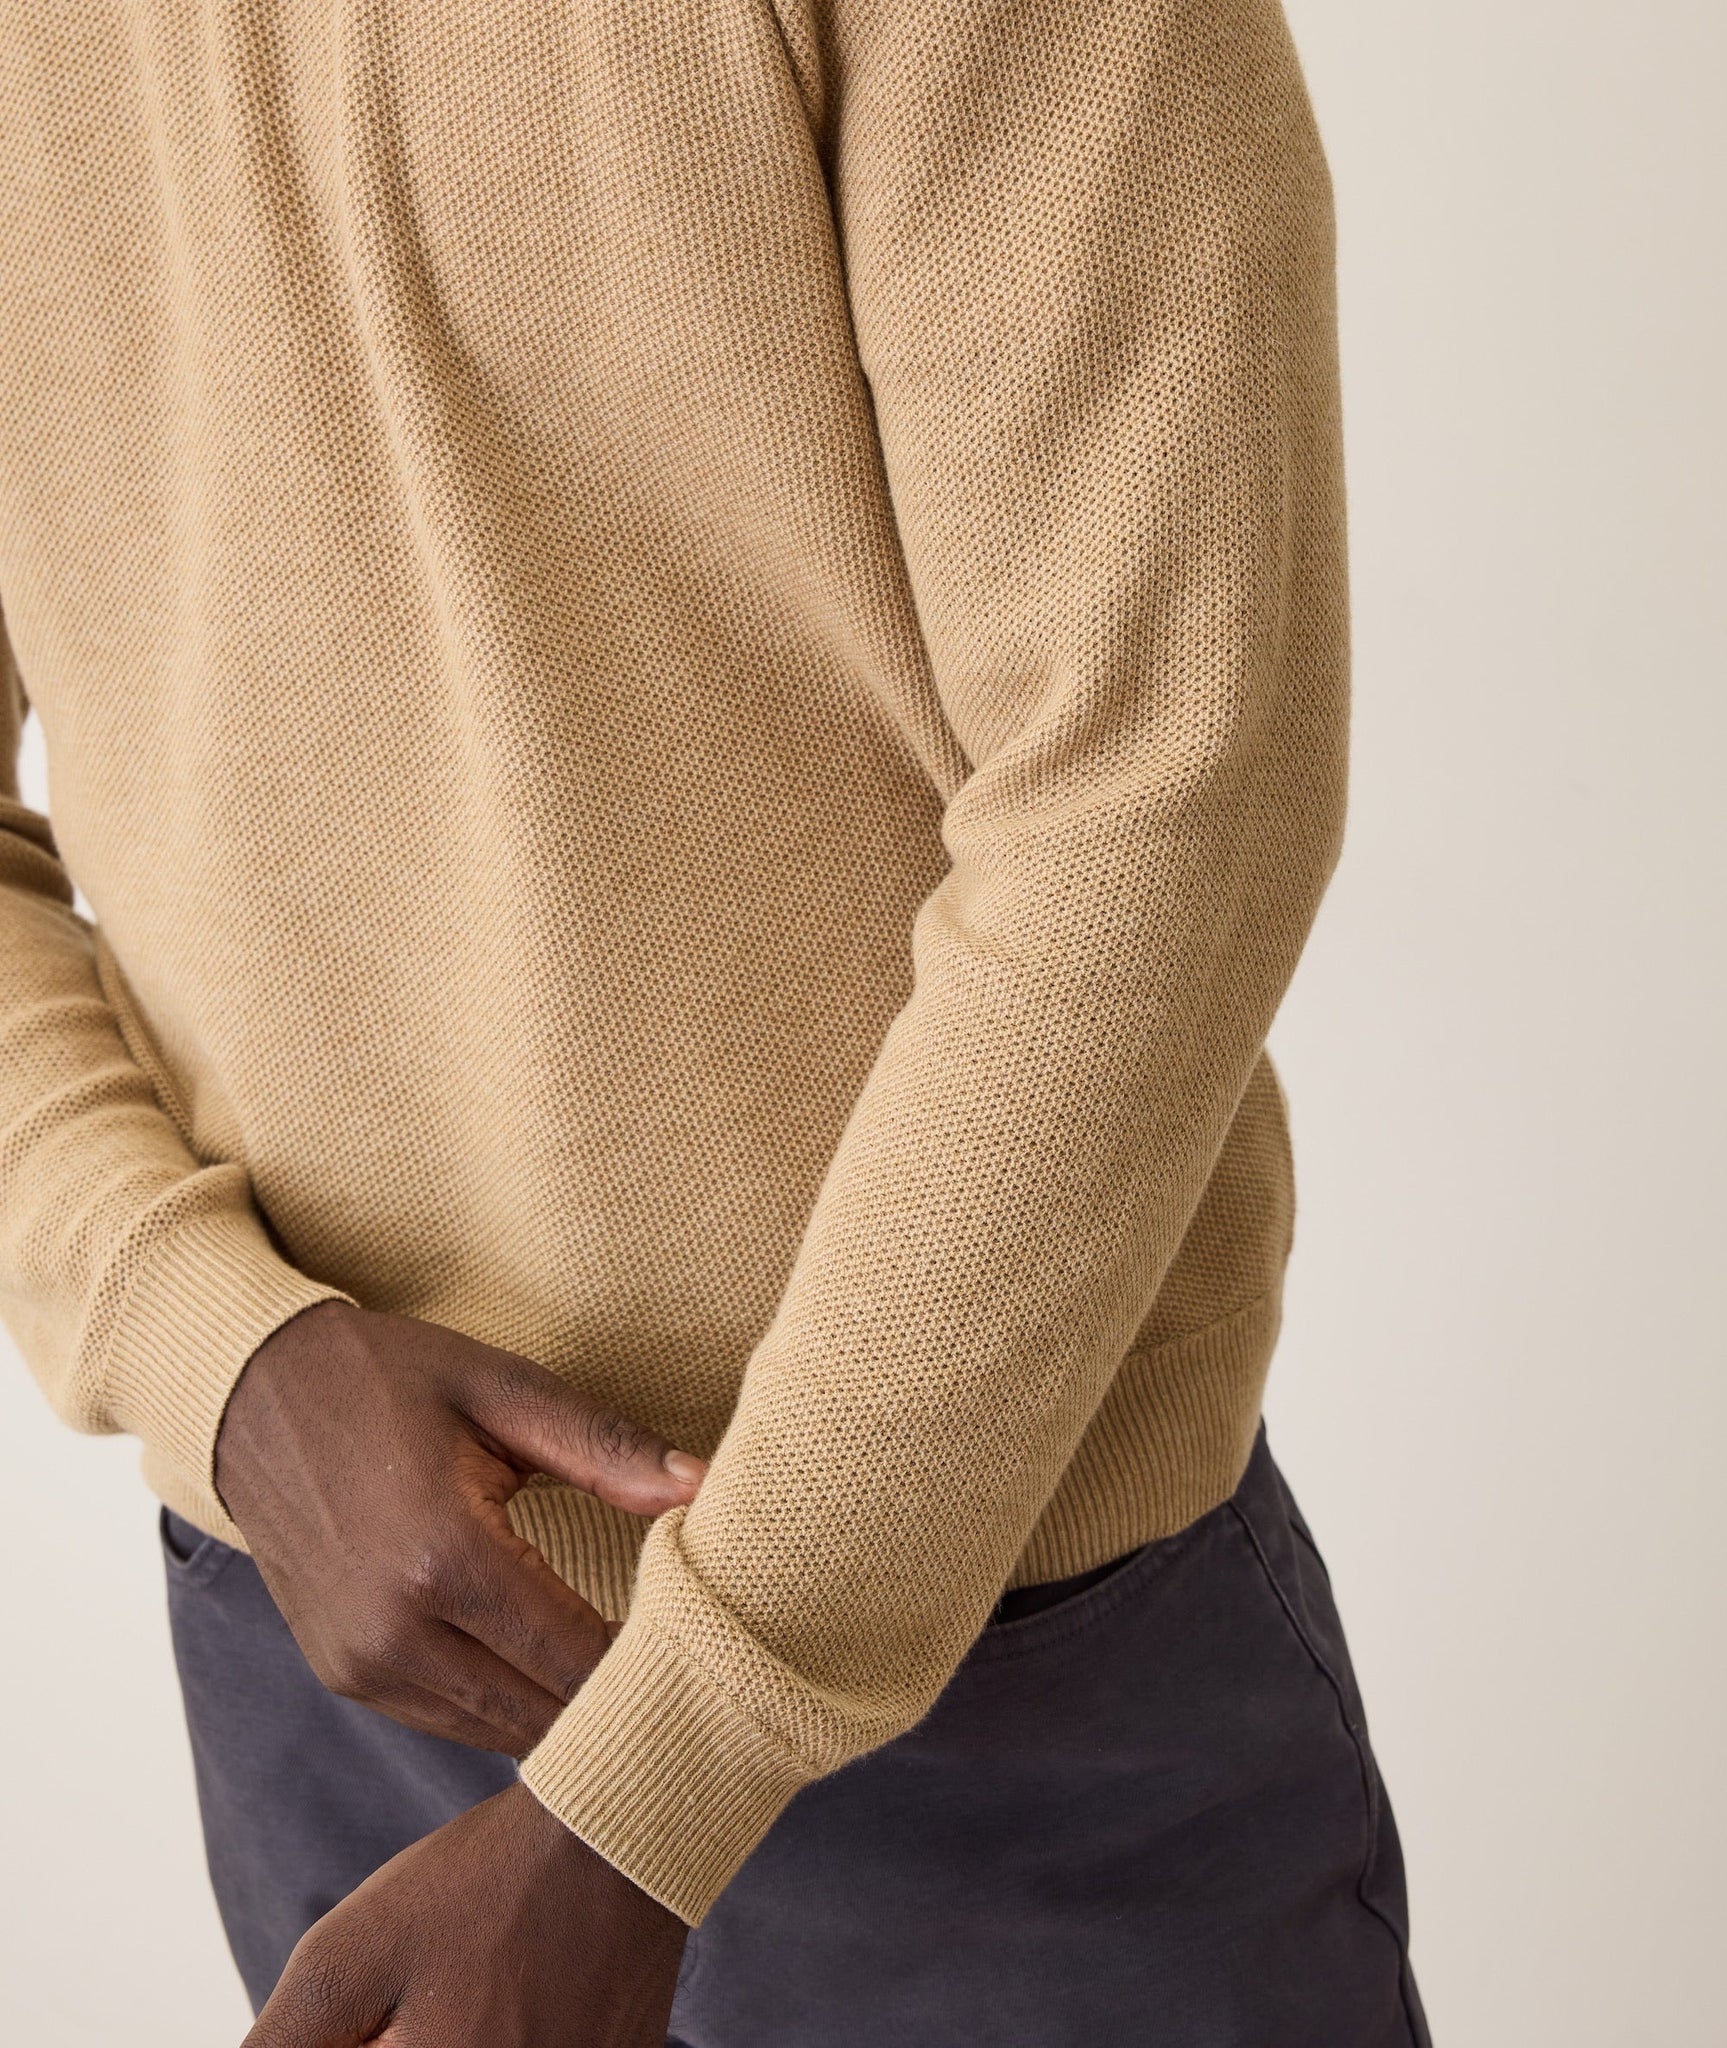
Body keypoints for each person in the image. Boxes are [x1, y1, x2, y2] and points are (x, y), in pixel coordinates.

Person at [0, 0, 1429, 2042]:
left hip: (979, 1661)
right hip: (322, 1622)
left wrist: (666, 1768)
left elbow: (1162, 798)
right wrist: (201, 1344)